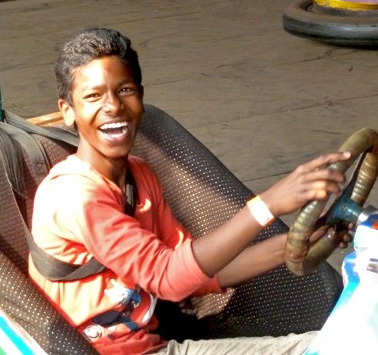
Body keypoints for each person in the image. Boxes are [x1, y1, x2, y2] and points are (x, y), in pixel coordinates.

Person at [29, 28, 352, 354]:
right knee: (334, 347)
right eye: (93, 96)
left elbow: (197, 274)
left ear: (141, 98)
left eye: (125, 90)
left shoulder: (139, 175)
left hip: (152, 343)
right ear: (67, 110)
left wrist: (295, 242)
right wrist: (267, 205)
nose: (113, 106)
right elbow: (168, 278)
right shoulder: (76, 196)